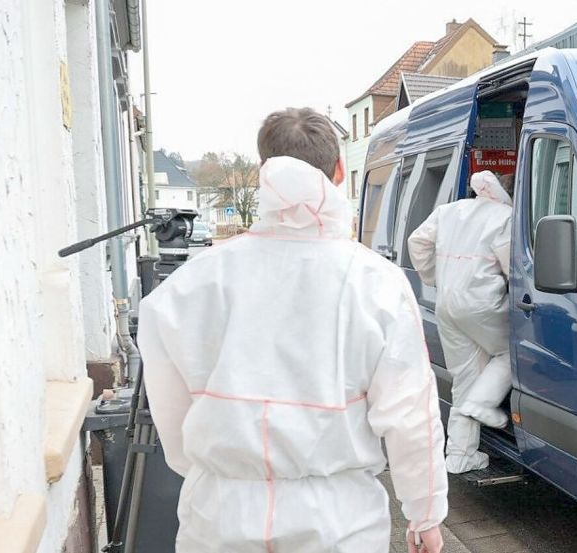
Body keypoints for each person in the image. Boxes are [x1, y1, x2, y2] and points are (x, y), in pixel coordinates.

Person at [137, 107, 448, 553]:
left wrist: (219, 469)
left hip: (219, 517)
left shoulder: (194, 281)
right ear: (340, 172)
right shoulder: (374, 282)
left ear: (265, 174)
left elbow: (169, 407)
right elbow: (411, 413)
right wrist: (425, 512)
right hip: (337, 523)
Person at [407, 170, 515, 474]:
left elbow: (416, 242)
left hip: (447, 303)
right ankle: (482, 402)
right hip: (482, 303)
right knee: (513, 351)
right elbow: (514, 269)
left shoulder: (449, 210)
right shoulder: (504, 216)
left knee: (465, 377)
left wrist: (433, 277)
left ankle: (459, 455)